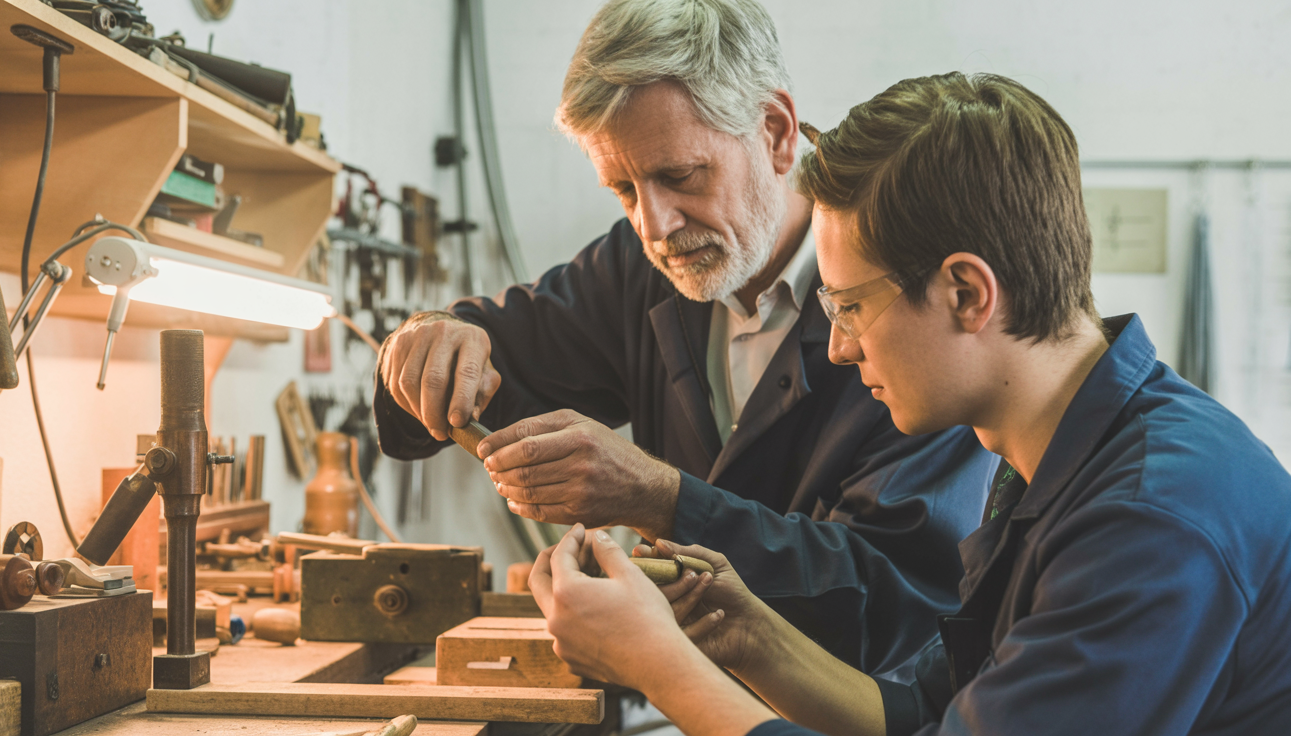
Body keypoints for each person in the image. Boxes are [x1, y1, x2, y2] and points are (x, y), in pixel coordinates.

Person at [528, 72, 1291, 735]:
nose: (838, 348)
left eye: (850, 308)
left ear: (966, 293)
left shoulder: (1151, 520)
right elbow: (922, 714)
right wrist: (745, 632)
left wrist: (659, 665)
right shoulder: (1054, 460)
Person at [374, 0, 996, 678]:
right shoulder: (637, 269)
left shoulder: (908, 302)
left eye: (680, 177)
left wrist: (660, 498)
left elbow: (897, 602)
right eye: (622, 189)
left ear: (776, 132)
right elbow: (493, 351)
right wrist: (428, 338)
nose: (654, 226)